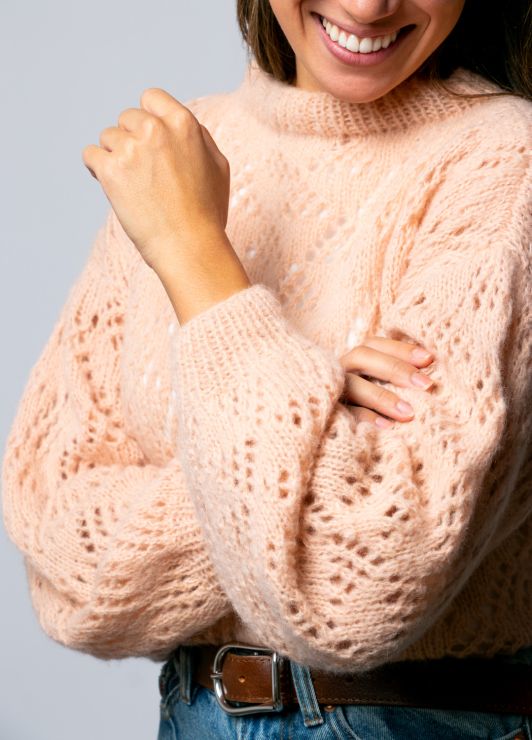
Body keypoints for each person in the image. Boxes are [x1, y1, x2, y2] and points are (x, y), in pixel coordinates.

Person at [2, 0, 531, 738]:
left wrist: (193, 250)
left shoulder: (508, 166)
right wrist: (311, 438)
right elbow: (68, 574)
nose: (368, 6)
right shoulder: (183, 155)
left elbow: (351, 589)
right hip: (196, 716)